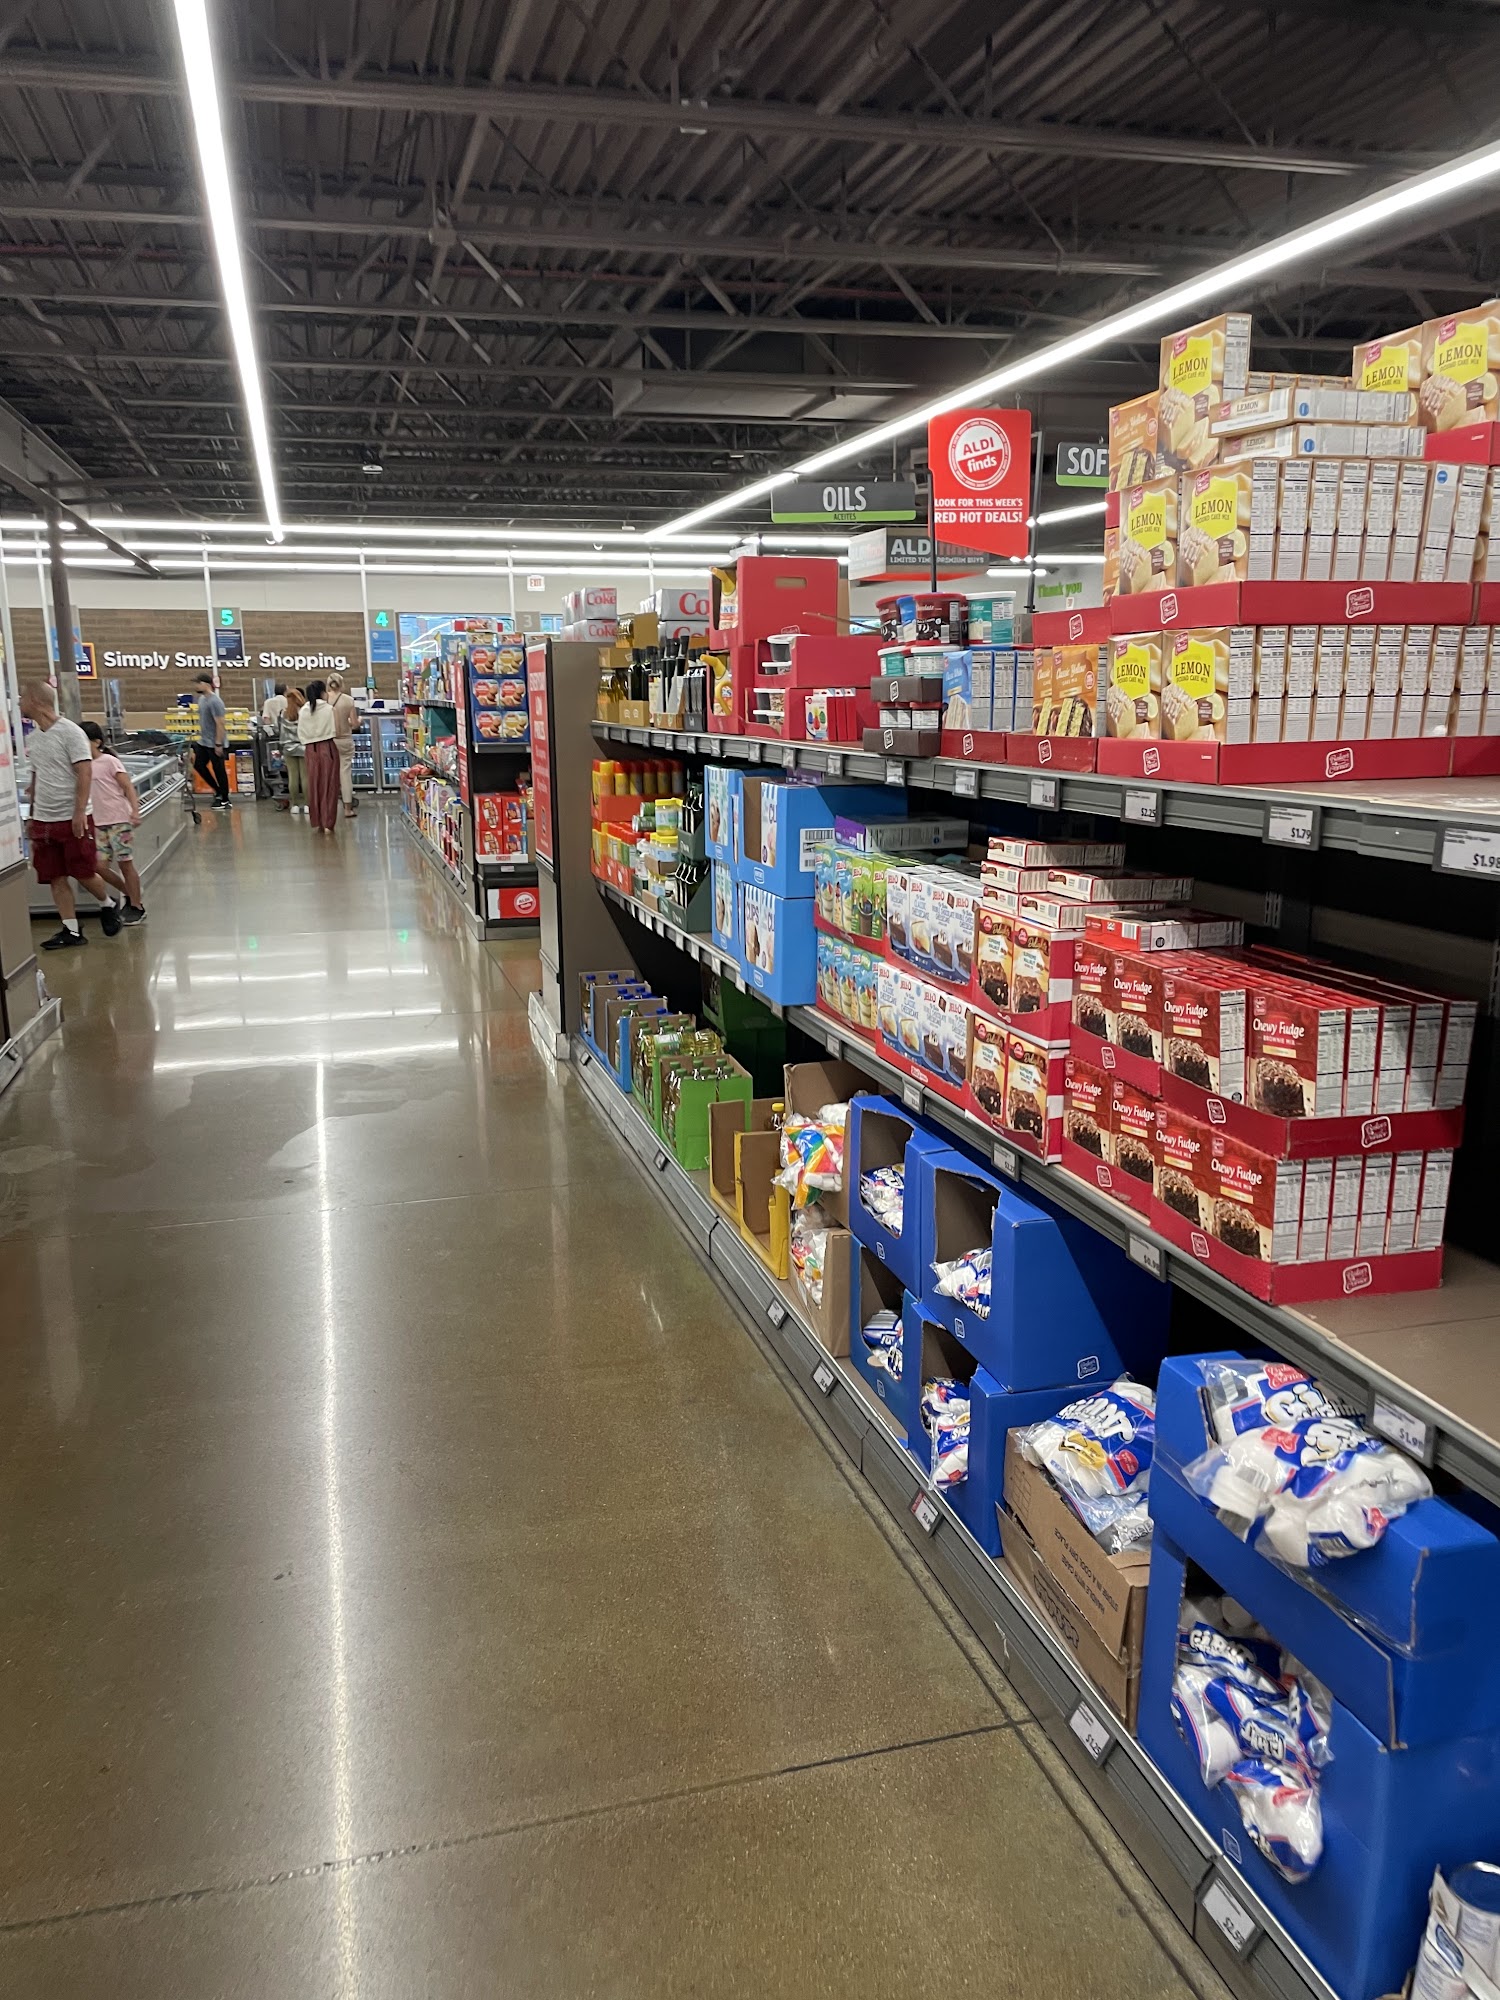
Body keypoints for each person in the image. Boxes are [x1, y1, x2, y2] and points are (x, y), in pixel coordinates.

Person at [19, 682, 125, 948]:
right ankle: (71, 930)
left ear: (35, 700)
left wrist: (79, 812)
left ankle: (107, 903)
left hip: (72, 818)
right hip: (44, 819)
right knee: (55, 875)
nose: (19, 702)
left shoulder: (71, 733)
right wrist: (32, 814)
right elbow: (36, 776)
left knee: (83, 872)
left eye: (23, 697)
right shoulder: (34, 738)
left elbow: (84, 772)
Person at [81, 721, 146, 925]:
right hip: (99, 822)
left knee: (125, 863)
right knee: (99, 866)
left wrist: (135, 811)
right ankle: (131, 892)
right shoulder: (83, 766)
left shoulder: (109, 762)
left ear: (96, 742)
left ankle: (136, 906)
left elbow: (127, 787)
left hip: (118, 820)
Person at [298, 679, 339, 833]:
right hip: (327, 747)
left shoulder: (304, 710)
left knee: (314, 784)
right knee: (329, 784)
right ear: (322, 693)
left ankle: (318, 821)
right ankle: (328, 822)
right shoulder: (329, 709)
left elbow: (300, 732)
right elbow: (338, 729)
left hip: (310, 749)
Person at [192, 671, 231, 810]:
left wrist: (218, 744)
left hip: (215, 742)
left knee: (219, 770)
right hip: (204, 741)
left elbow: (220, 723)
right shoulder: (202, 699)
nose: (196, 686)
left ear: (206, 684)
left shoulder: (215, 701)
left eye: (198, 683)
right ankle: (218, 791)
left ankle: (225, 799)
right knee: (199, 765)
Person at [327, 672, 358, 819]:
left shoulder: (324, 700)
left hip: (328, 740)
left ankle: (328, 808)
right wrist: (358, 721)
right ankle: (347, 808)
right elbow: (355, 724)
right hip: (345, 740)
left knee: (329, 775)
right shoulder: (348, 700)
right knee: (345, 774)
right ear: (341, 684)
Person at [278, 686, 307, 813]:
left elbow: (279, 730)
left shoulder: (283, 713)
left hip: (288, 748)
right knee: (305, 777)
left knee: (292, 777)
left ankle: (295, 805)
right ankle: (307, 805)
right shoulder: (305, 712)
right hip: (303, 747)